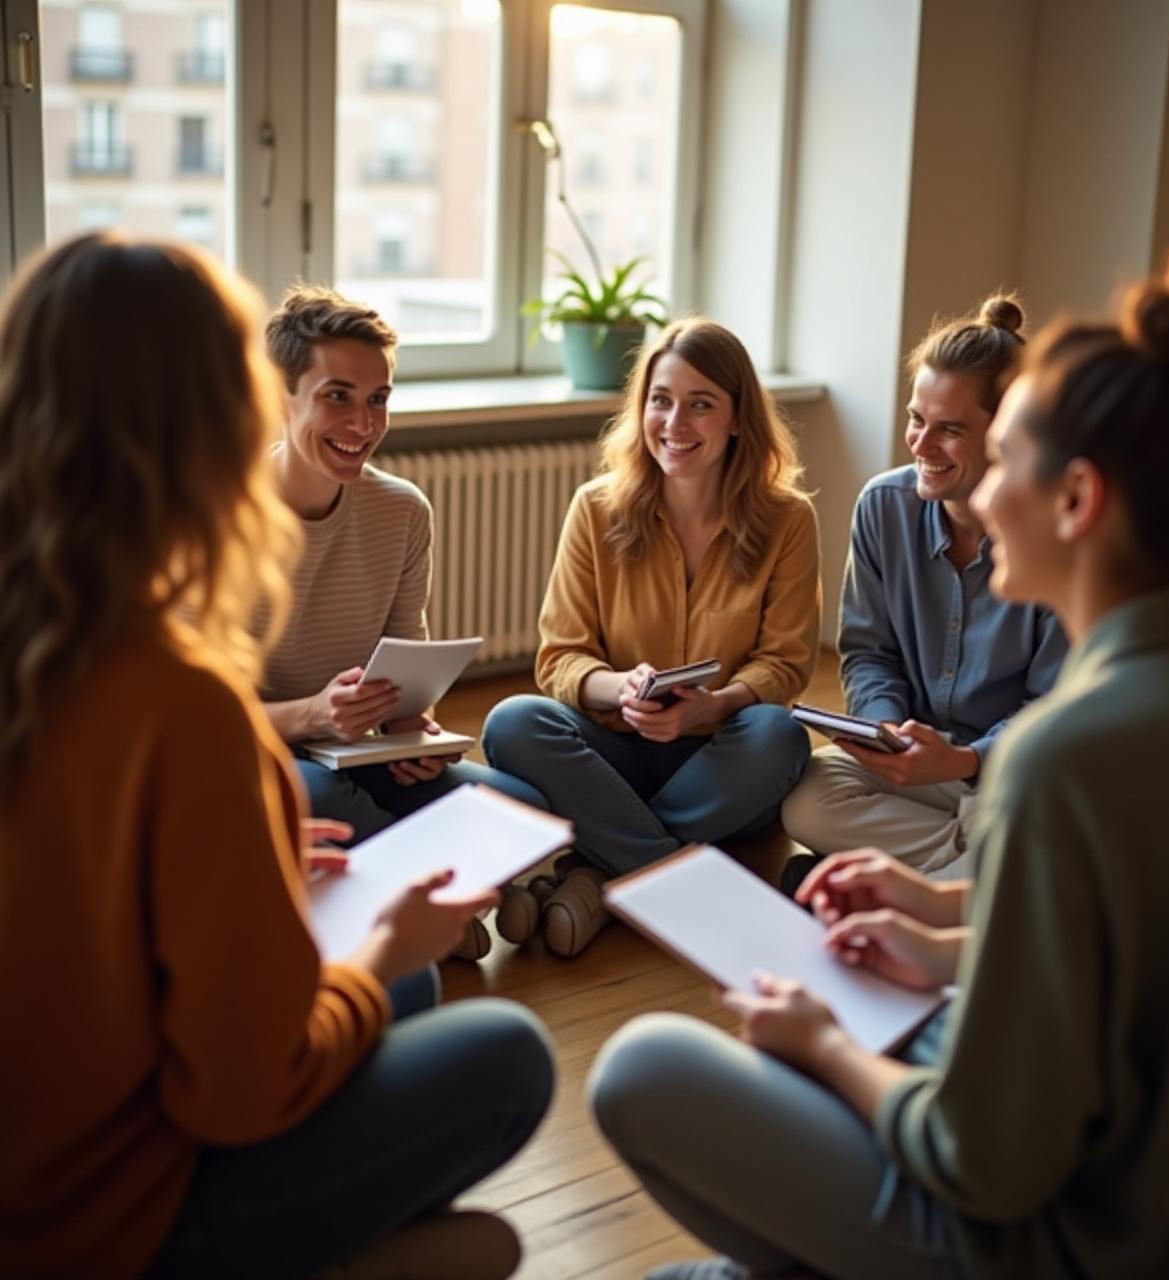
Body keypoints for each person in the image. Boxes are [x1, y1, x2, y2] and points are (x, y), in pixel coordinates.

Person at [588, 220, 1169, 1279]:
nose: (966, 483)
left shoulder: (1065, 755)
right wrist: (947, 920)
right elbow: (1148, 944)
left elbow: (981, 1159)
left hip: (1083, 1235)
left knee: (641, 1064)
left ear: (1075, 498)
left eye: (998, 457)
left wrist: (818, 1041)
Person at [0, 234, 554, 1280]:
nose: (356, 423)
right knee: (495, 1052)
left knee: (428, 943)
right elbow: (240, 1088)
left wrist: (248, 871)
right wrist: (383, 944)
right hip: (97, 1219)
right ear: (236, 417)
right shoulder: (180, 694)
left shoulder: (54, 631)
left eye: (375, 398)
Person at [483, 318, 819, 957]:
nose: (675, 423)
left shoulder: (788, 520)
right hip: (613, 747)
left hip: (721, 761)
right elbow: (560, 656)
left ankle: (599, 868)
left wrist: (716, 704)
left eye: (701, 405)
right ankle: (670, 879)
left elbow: (786, 661)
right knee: (512, 722)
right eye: (661, 401)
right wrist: (620, 689)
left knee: (781, 737)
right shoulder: (595, 508)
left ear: (738, 419)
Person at [258, 284, 546, 958]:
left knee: (524, 806)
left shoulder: (404, 511)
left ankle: (416, 904)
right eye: (338, 396)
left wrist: (409, 727)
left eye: (378, 399)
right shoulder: (220, 517)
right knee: (321, 795)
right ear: (280, 398)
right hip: (269, 758)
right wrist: (312, 716)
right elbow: (197, 718)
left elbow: (405, 662)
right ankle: (442, 903)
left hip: (362, 750)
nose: (362, 424)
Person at [780, 296, 1066, 886]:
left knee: (1044, 821)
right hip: (918, 770)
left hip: (1009, 771)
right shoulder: (883, 507)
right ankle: (970, 874)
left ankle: (899, 880)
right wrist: (884, 734)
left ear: (1006, 431)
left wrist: (966, 761)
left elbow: (1053, 709)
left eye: (949, 429)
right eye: (916, 419)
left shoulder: (1053, 538)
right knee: (808, 796)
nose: (920, 444)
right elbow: (868, 651)